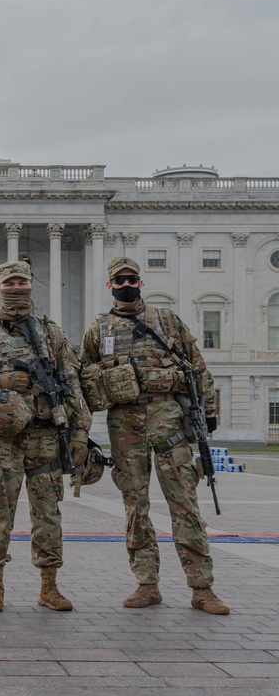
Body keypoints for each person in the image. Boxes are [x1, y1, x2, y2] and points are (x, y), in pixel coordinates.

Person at [78, 256, 228, 614]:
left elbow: (197, 364)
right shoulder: (98, 330)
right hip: (124, 425)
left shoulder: (167, 320)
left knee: (185, 504)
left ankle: (202, 588)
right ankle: (146, 584)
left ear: (140, 283)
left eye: (132, 279)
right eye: (119, 280)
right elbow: (82, 378)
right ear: (109, 285)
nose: (126, 284)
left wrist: (208, 412)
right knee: (135, 506)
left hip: (168, 419)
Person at [0, 260, 90, 613]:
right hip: (1, 442)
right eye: (10, 282)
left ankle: (49, 586)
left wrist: (79, 432)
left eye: (23, 281)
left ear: (32, 285)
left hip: (46, 437)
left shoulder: (52, 335)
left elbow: (72, 383)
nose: (17, 287)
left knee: (48, 514)